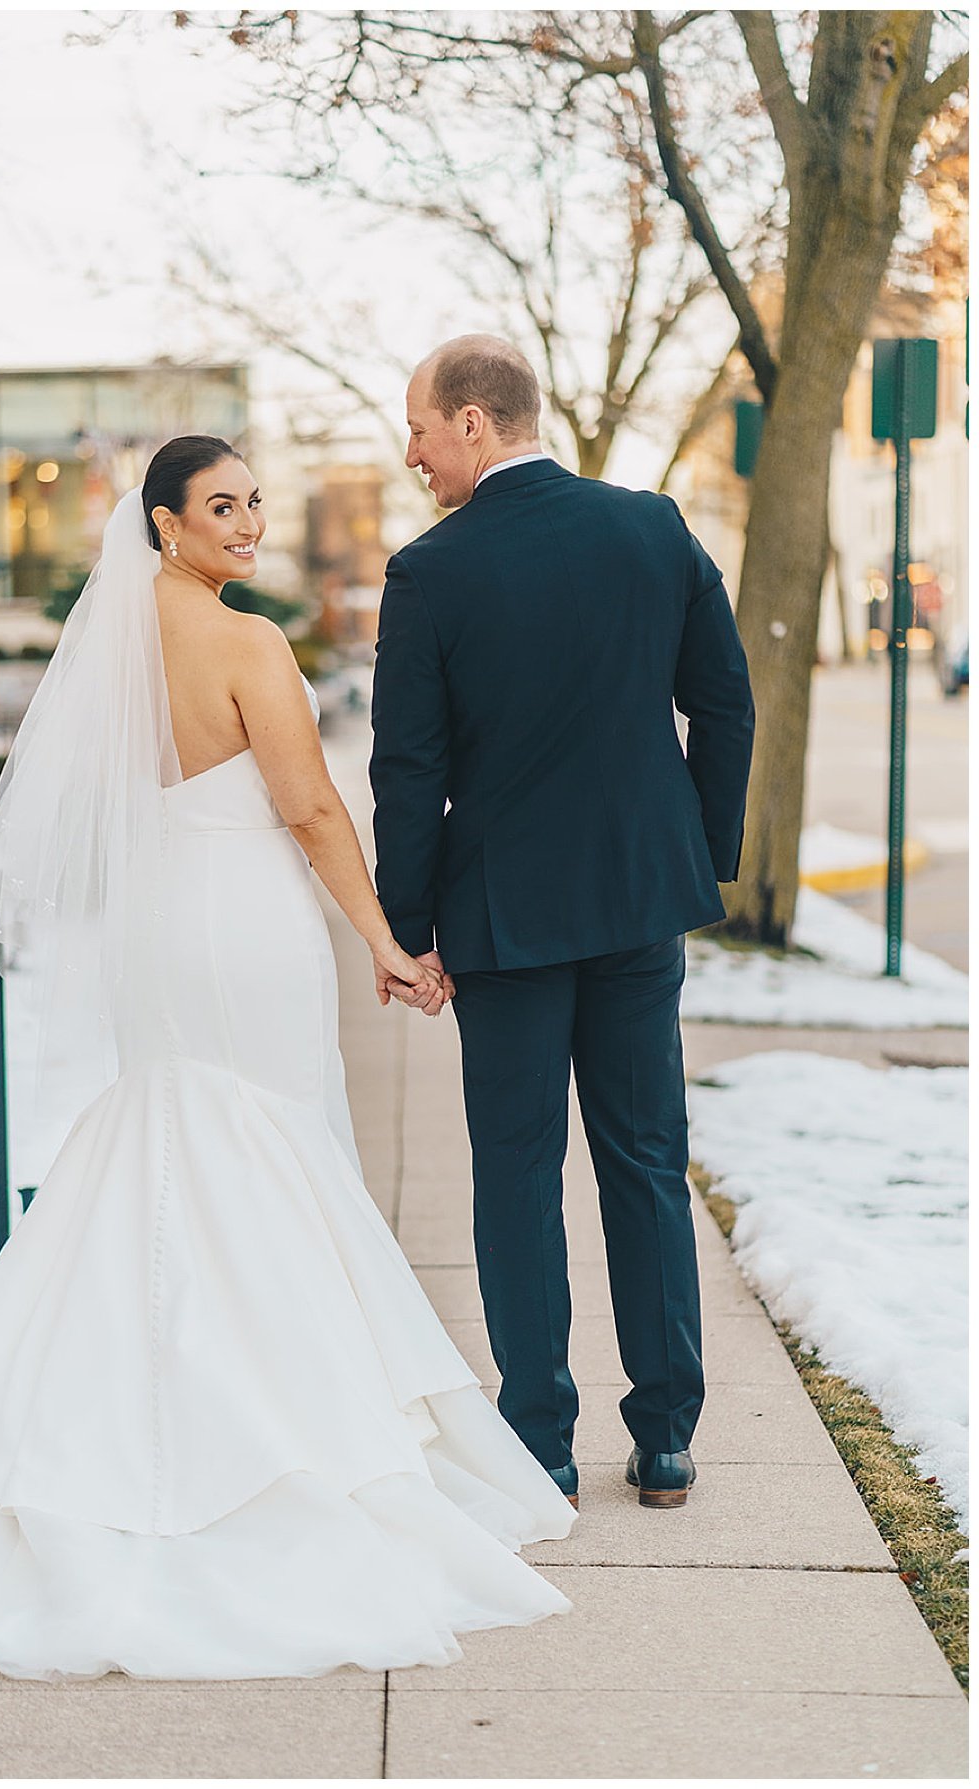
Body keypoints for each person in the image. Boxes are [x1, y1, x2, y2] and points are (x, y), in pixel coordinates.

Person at [0, 436, 575, 1684]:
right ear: (164, 522)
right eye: (222, 505)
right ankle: (273, 1430)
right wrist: (385, 938)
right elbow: (311, 808)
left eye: (255, 502)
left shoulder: (111, 648)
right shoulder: (248, 643)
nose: (249, 522)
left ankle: (108, 1413)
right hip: (244, 926)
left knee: (172, 1144)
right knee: (260, 1152)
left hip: (158, 926)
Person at [370, 337, 755, 1511]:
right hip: (640, 902)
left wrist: (409, 924)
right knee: (645, 1161)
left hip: (506, 920)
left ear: (473, 422)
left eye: (420, 429)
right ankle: (667, 1435)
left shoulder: (430, 572)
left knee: (517, 1173)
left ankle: (539, 1438)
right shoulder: (652, 529)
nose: (413, 453)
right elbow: (725, 704)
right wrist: (698, 854)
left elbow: (408, 771)